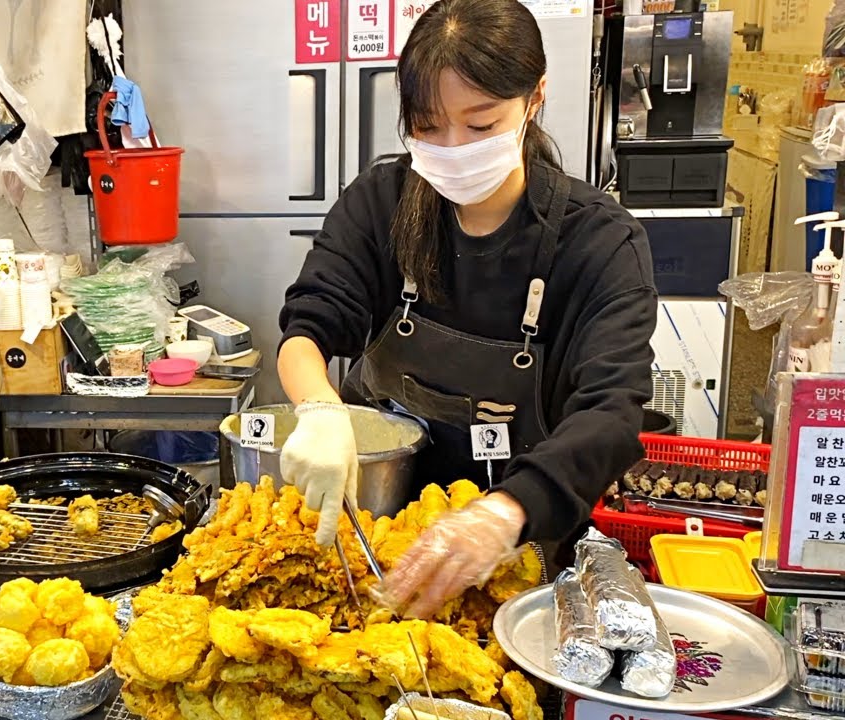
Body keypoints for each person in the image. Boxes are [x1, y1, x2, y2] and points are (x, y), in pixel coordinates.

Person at [276, 0, 656, 619]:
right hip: (374, 534)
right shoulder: (381, 202)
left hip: (518, 545)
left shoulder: (598, 242)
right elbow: (311, 322)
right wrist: (317, 407)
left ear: (534, 98)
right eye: (428, 126)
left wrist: (502, 514)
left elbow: (610, 413)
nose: (453, 147)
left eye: (480, 125)